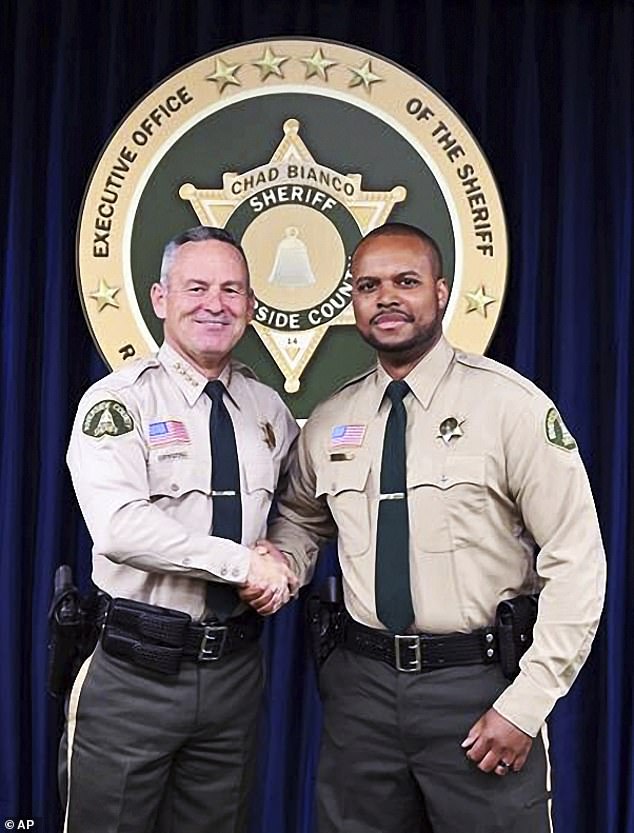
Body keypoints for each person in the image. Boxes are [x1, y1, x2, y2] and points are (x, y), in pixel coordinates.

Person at [244, 223, 606, 833]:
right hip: (361, 695)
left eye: (405, 282)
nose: (387, 297)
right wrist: (281, 561)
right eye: (368, 285)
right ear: (351, 302)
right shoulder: (332, 419)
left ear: (441, 293)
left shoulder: (511, 408)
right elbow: (302, 519)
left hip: (479, 692)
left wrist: (526, 705)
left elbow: (577, 560)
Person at [62, 226, 298, 833]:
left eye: (232, 290)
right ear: (160, 298)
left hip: (235, 675)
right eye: (196, 287)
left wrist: (284, 558)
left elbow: (299, 511)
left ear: (250, 305)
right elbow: (119, 528)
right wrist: (244, 565)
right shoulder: (118, 402)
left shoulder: (268, 410)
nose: (214, 303)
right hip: (137, 669)